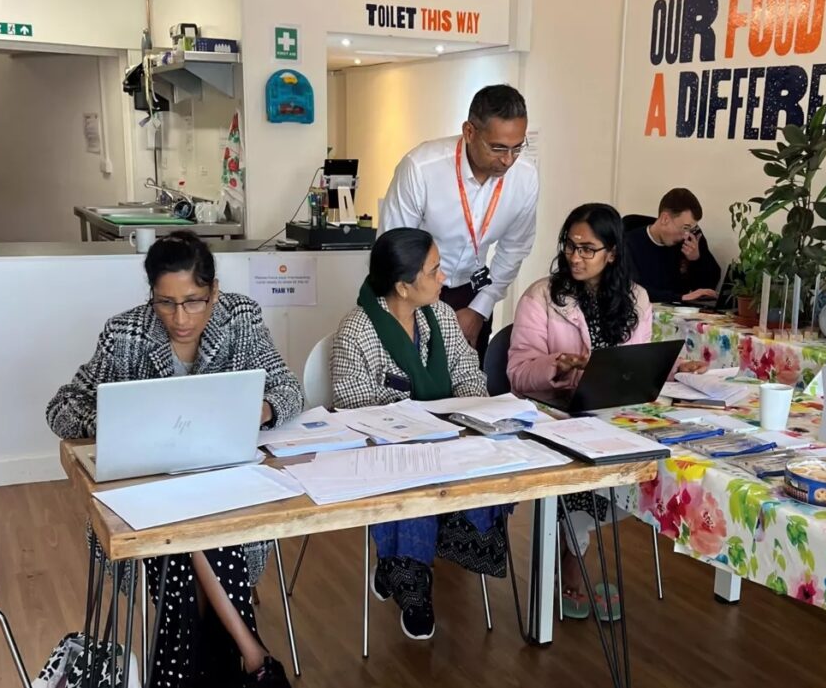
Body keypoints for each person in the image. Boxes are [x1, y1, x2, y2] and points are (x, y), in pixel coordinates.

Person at [47, 231, 303, 688]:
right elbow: (61, 406)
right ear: (151, 296)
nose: (180, 318)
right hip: (146, 494)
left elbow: (289, 389)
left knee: (189, 539)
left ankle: (185, 675)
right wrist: (119, 421)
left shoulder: (241, 317)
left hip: (223, 481)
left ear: (214, 291)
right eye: (165, 303)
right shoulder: (125, 332)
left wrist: (258, 410)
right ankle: (250, 658)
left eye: (194, 301)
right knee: (187, 534)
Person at [507, 203, 704, 620]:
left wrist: (673, 369)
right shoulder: (542, 296)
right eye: (570, 247)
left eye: (587, 249)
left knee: (670, 462)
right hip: (555, 413)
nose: (575, 257)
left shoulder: (635, 298)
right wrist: (557, 367)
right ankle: (573, 567)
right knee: (583, 470)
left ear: (612, 253)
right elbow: (518, 375)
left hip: (617, 414)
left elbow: (634, 373)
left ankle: (573, 545)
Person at [331, 227, 509, 640]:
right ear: (403, 286)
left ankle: (395, 566)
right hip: (386, 454)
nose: (444, 278)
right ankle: (411, 584)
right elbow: (354, 406)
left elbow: (469, 374)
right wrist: (418, 424)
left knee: (497, 470)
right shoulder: (358, 330)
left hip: (450, 442)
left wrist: (466, 415)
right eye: (434, 271)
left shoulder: (442, 315)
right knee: (413, 486)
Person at [377, 84, 539, 360]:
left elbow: (514, 248)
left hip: (472, 294)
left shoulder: (525, 177)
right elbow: (394, 248)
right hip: (414, 290)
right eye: (498, 148)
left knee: (467, 385)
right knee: (413, 385)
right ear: (469, 132)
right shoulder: (422, 167)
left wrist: (480, 308)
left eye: (517, 148)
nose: (507, 160)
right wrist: (415, 307)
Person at [626, 187, 721, 303]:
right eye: (685, 228)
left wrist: (696, 260)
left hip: (681, 314)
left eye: (691, 229)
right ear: (665, 219)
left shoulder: (688, 242)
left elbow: (706, 290)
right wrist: (680, 298)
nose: (686, 235)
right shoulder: (629, 243)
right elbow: (633, 290)